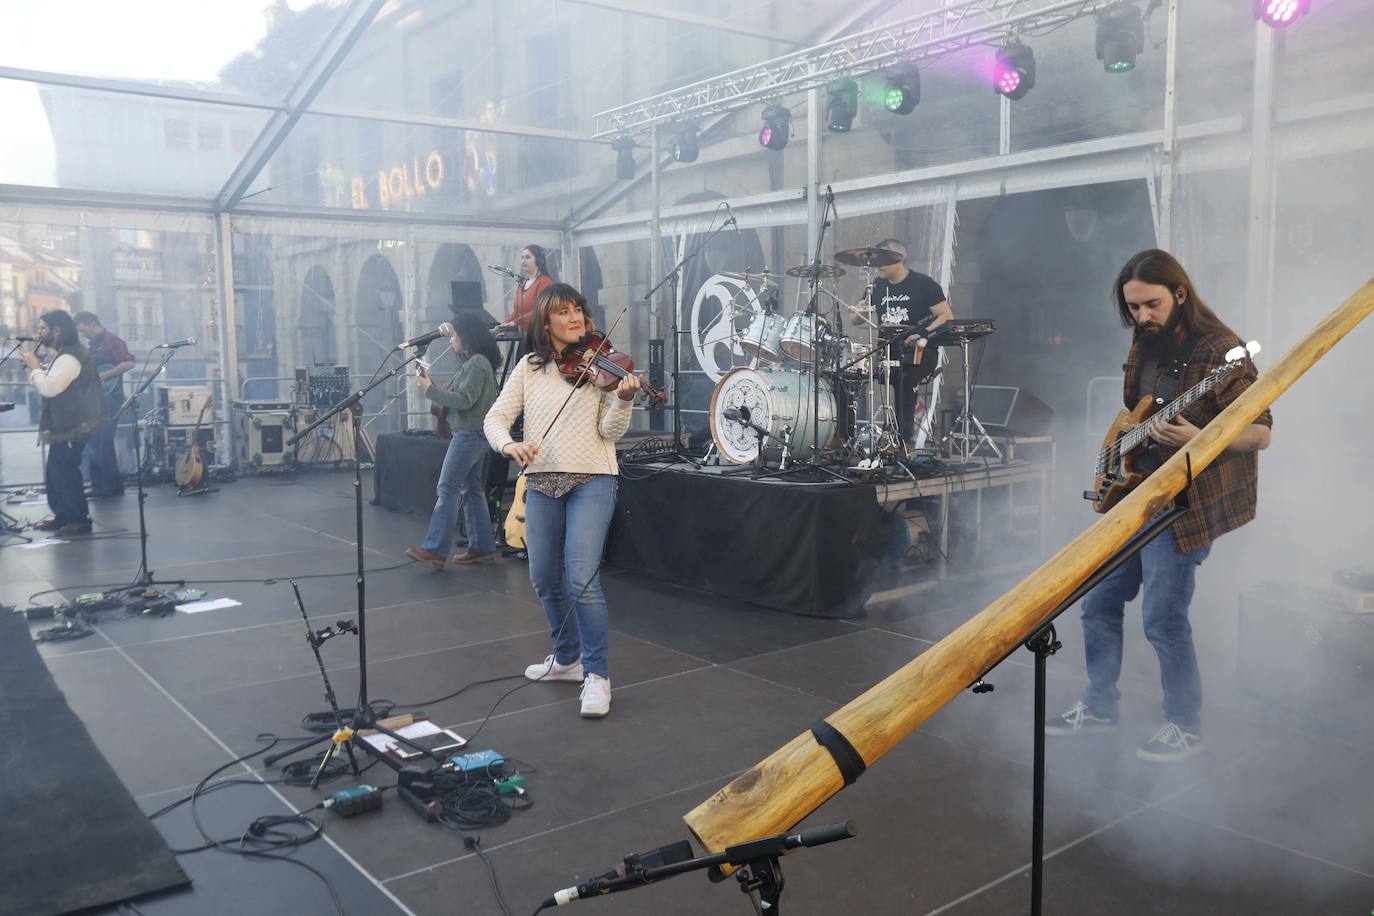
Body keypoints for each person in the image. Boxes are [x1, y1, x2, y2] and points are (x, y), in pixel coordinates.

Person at [1048, 249, 1273, 763]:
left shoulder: (1224, 351)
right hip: (1135, 494)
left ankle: (1185, 725)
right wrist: (1117, 449)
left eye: (1151, 304)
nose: (1142, 317)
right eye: (1133, 308)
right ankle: (1100, 705)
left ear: (1179, 293)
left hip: (1183, 505)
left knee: (1162, 620)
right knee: (1098, 605)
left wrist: (1203, 436)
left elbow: (1262, 434)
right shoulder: (1144, 338)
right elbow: (1136, 411)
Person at [484, 283, 640, 718]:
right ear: (546, 321)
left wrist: (623, 400)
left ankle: (597, 675)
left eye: (579, 311)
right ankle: (567, 658)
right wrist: (508, 447)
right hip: (541, 482)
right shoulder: (529, 369)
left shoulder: (601, 365)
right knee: (542, 578)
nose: (575, 319)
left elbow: (610, 432)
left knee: (581, 580)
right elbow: (495, 418)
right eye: (564, 312)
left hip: (592, 477)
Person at [406, 314, 501, 569]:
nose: (452, 341)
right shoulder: (480, 363)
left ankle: (435, 549)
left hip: (468, 436)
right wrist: (433, 386)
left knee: (446, 489)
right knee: (472, 492)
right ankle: (481, 547)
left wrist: (429, 390)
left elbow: (464, 400)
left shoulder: (476, 364)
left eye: (455, 336)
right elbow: (463, 398)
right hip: (475, 435)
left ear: (467, 337)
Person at [20, 310, 106, 534]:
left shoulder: (69, 357)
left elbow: (49, 388)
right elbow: (48, 382)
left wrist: (35, 368)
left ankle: (77, 519)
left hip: (75, 424)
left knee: (65, 470)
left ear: (57, 331)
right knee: (56, 470)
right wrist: (37, 371)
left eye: (42, 328)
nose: (39, 333)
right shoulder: (65, 354)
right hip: (70, 423)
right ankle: (63, 516)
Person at [865, 239, 954, 446]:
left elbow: (946, 315)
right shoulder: (876, 286)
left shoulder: (923, 284)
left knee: (905, 375)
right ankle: (841, 437)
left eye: (884, 259)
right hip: (887, 351)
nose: (879, 264)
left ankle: (903, 442)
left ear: (901, 258)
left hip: (920, 352)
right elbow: (856, 319)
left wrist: (922, 332)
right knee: (847, 375)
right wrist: (859, 310)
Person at [74, 311, 134, 498]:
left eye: (83, 329)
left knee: (99, 442)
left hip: (110, 400)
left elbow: (129, 363)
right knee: (102, 442)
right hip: (98, 399)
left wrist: (105, 376)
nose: (82, 334)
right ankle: (112, 486)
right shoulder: (94, 346)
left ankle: (103, 487)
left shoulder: (111, 341)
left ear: (92, 324)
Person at [503, 244, 554, 334]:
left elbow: (540, 311)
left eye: (527, 257)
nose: (523, 261)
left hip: (539, 336)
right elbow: (516, 313)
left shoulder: (545, 282)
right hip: (524, 334)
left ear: (538, 260)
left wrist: (515, 322)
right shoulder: (522, 283)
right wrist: (503, 324)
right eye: (522, 257)